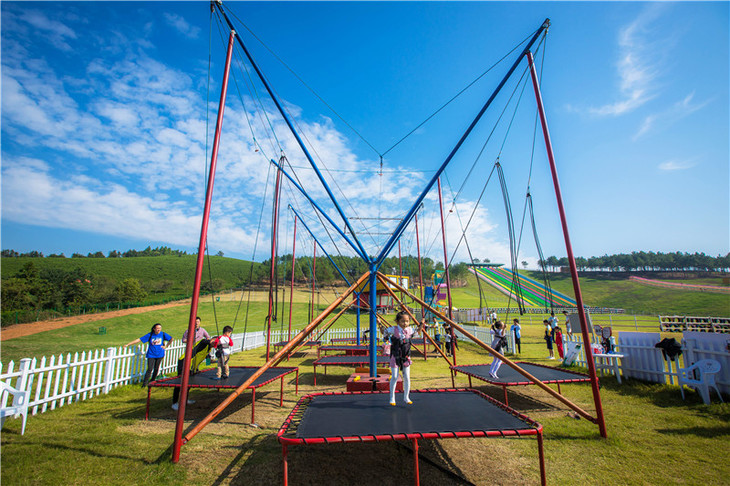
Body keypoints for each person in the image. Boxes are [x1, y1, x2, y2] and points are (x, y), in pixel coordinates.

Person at [384, 311, 425, 406]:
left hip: (406, 356)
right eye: (403, 321)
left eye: (407, 321)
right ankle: (392, 397)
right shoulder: (393, 329)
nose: (405, 323)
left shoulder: (410, 330)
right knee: (394, 376)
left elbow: (418, 332)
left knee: (406, 377)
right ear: (397, 321)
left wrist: (421, 324)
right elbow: (384, 332)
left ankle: (406, 397)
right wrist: (379, 324)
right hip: (395, 355)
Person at [125, 323, 173, 387]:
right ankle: (144, 384)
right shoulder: (150, 335)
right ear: (154, 329)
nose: (159, 330)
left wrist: (166, 346)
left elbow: (171, 339)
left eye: (160, 328)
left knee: (156, 368)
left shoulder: (163, 334)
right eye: (157, 328)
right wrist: (128, 344)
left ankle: (152, 381)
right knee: (150, 369)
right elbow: (139, 339)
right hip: (151, 354)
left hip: (160, 354)